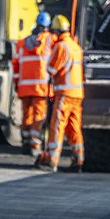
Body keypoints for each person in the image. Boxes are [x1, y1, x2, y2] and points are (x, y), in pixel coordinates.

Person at [38, 14, 85, 173]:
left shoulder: (61, 47)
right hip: (77, 95)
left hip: (64, 94)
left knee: (57, 126)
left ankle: (52, 160)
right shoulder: (75, 46)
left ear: (56, 32)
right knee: (74, 127)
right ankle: (78, 159)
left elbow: (51, 70)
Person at [12, 11, 55, 160]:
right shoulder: (50, 40)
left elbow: (16, 66)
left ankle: (25, 142)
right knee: (39, 117)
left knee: (27, 115)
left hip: (24, 87)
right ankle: (35, 145)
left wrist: (16, 84)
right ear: (47, 26)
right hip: (41, 88)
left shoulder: (21, 43)